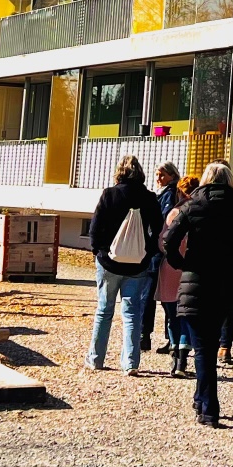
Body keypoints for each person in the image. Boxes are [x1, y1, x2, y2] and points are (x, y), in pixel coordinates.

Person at [162, 160, 233, 425]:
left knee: (202, 349)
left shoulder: (192, 204)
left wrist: (180, 263)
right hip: (225, 284)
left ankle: (209, 408)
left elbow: (169, 239)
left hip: (196, 282)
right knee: (210, 344)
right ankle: (200, 397)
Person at [87, 154, 162, 374]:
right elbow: (158, 230)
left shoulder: (110, 195)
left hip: (109, 263)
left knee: (104, 310)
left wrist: (99, 253)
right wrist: (148, 254)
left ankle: (96, 359)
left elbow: (94, 229)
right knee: (132, 313)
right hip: (137, 265)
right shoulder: (149, 198)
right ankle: (130, 362)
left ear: (119, 172)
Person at [155, 174, 198, 376]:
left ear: (180, 191)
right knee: (187, 317)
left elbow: (162, 242)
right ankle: (181, 361)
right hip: (190, 267)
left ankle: (174, 354)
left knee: (172, 315)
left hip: (170, 266)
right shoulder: (200, 212)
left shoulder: (173, 213)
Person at [140, 162, 182, 352]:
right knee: (163, 296)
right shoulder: (161, 193)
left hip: (159, 251)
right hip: (158, 250)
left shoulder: (169, 194)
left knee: (155, 295)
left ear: (172, 176)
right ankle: (165, 337)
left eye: (162, 175)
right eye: (157, 174)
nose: (158, 178)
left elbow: (163, 221)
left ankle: (148, 335)